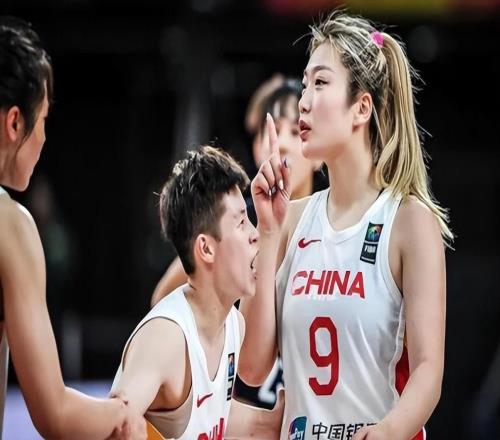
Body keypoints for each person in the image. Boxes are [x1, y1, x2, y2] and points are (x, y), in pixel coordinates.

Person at [239, 10, 452, 440]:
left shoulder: (409, 221)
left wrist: (387, 432)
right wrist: (268, 233)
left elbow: (429, 372)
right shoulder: (290, 220)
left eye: (320, 83)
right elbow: (251, 367)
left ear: (361, 108)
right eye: (304, 85)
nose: (303, 101)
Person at [0, 16, 145, 438]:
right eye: (44, 119)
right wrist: (124, 414)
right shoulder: (10, 226)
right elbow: (56, 415)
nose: (45, 137)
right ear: (15, 123)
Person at [110, 146, 261, 439]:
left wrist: (280, 419)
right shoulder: (166, 337)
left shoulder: (234, 325)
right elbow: (116, 424)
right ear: (206, 248)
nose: (254, 234)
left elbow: (215, 417)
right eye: (242, 222)